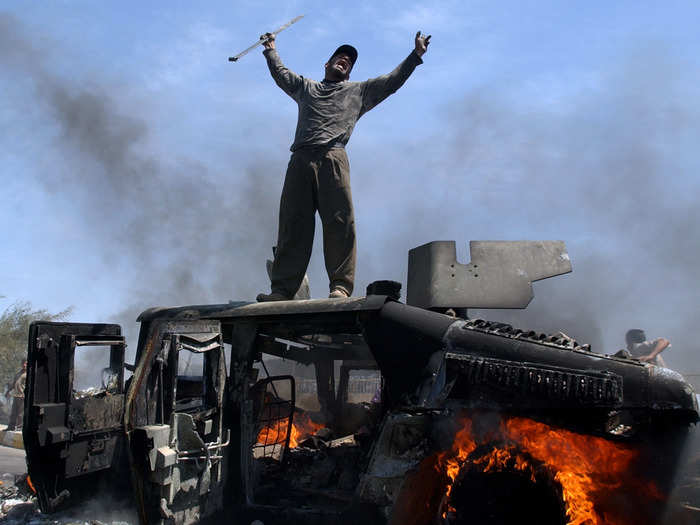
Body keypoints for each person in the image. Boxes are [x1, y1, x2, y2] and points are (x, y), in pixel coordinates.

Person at [256, 31, 431, 302]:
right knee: (293, 224)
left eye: (349, 61)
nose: (345, 61)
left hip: (333, 158)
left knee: (340, 223)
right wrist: (270, 50)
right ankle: (281, 289)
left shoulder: (357, 91)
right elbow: (281, 74)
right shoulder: (307, 88)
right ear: (327, 64)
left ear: (348, 74)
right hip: (301, 159)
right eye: (340, 57)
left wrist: (415, 55)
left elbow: (391, 82)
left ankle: (340, 287)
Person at [5, 360, 27, 431]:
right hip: (16, 396)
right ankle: (11, 427)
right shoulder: (18, 374)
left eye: (25, 364)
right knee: (13, 413)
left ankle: (19, 428)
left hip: (22, 396)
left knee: (20, 414)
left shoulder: (28, 374)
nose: (24, 365)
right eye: (23, 363)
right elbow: (14, 384)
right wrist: (8, 391)